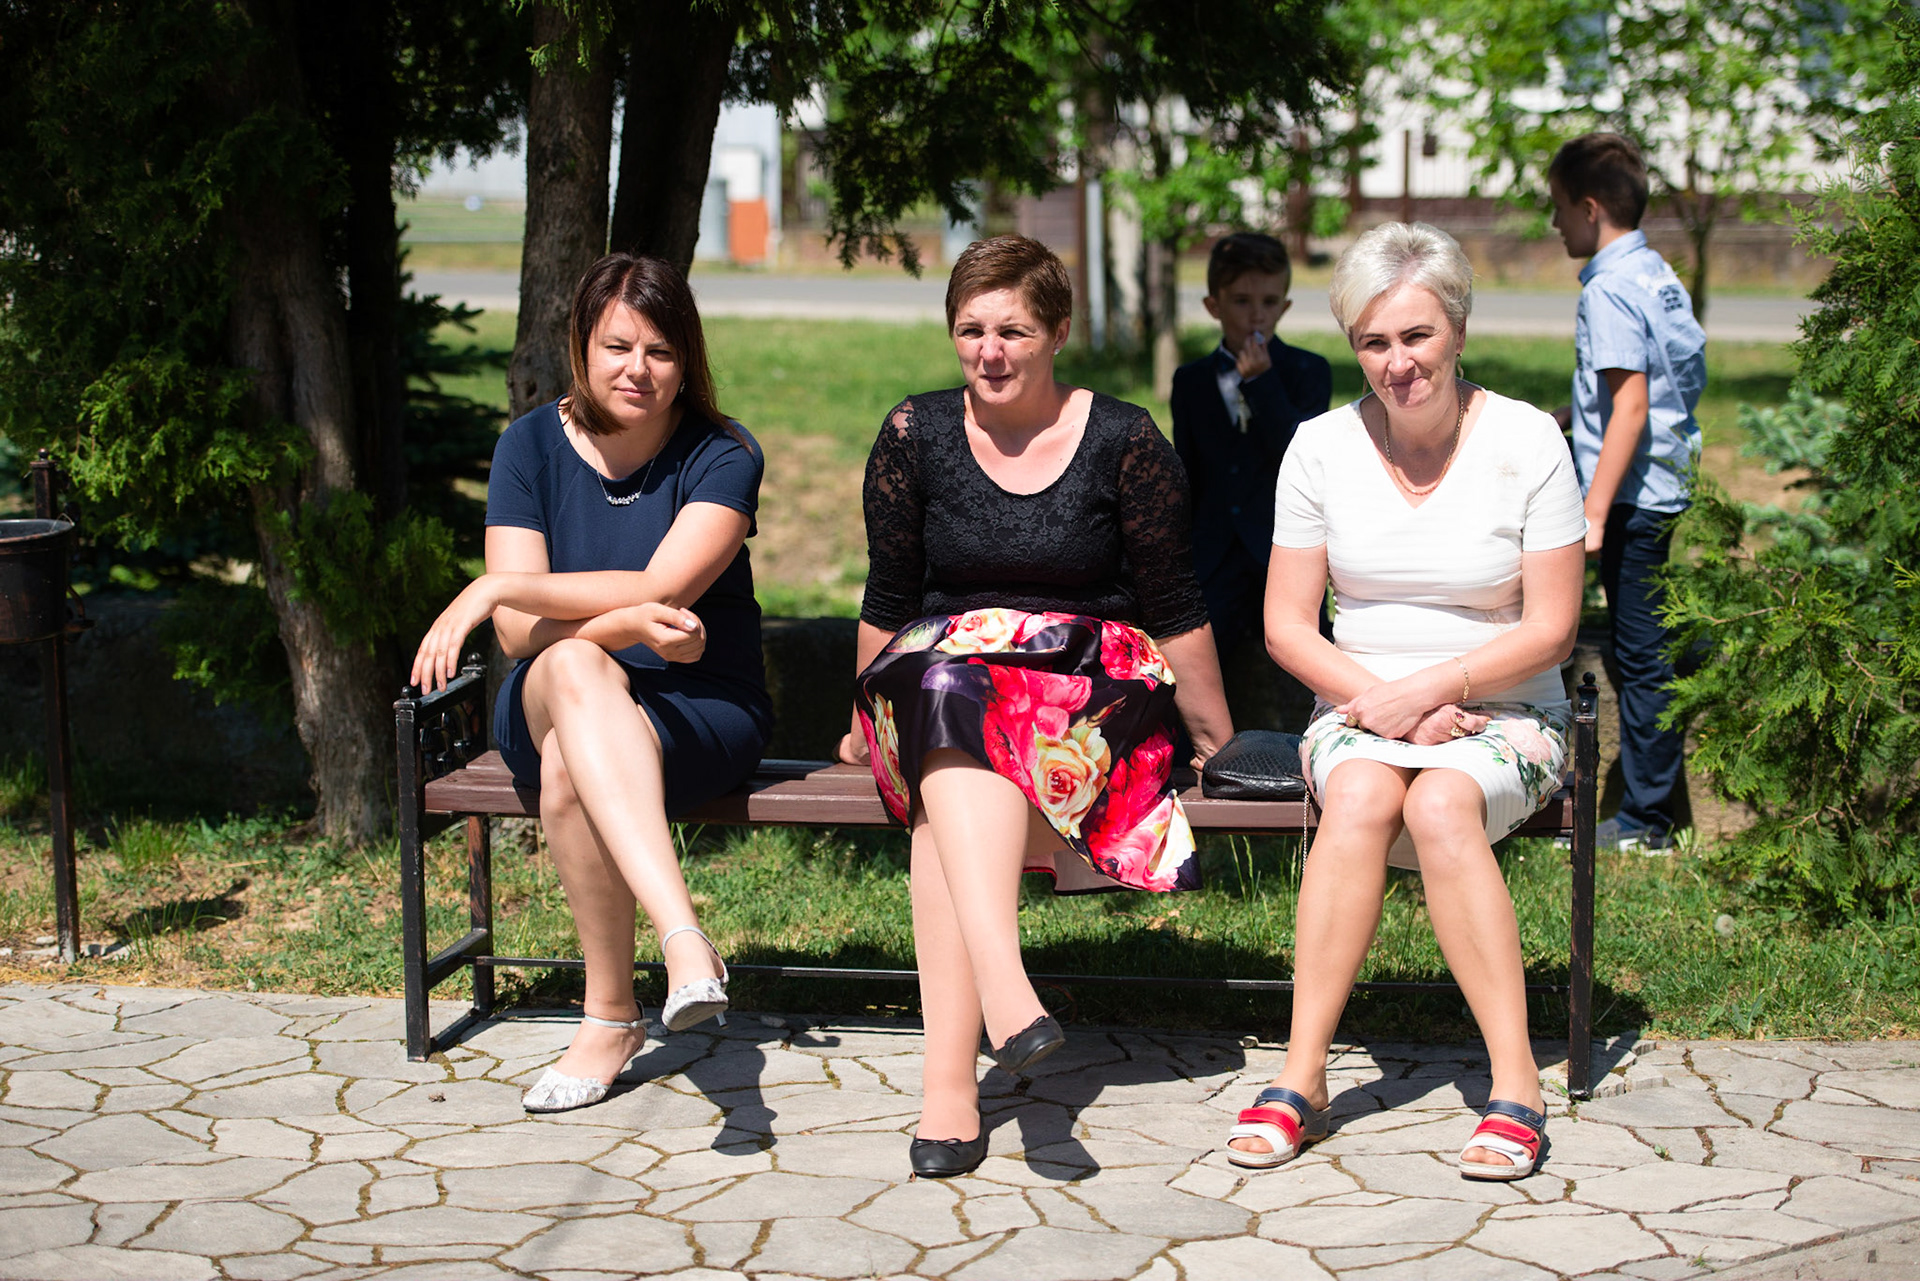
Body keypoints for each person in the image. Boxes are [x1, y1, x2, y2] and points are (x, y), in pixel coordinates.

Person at [837, 235, 1236, 1179]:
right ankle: (1007, 1004)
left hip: (1085, 690)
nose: (989, 351)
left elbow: (1174, 602)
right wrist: (862, 718)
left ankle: (951, 1088)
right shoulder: (915, 433)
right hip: (943, 681)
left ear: (1058, 332)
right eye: (970, 329)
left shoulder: (1124, 440)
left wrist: (1214, 736)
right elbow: (890, 595)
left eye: (1013, 330)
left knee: (940, 786)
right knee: (943, 688)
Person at [1227, 222, 1586, 1181]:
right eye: (1375, 342)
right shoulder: (1318, 448)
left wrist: (1437, 689)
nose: (1399, 363)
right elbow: (1287, 627)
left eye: (1418, 336)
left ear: (1458, 329)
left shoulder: (1529, 442)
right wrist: (1390, 702)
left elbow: (1553, 628)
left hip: (1508, 712)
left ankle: (1516, 1083)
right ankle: (1302, 1074)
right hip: (1358, 707)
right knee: (1358, 794)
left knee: (1440, 802)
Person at [411, 253, 771, 1114]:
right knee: (573, 670)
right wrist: (607, 622)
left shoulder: (724, 453)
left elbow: (662, 588)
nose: (638, 369)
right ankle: (683, 941)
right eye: (617, 347)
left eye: (660, 351)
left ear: (687, 359)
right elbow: (518, 637)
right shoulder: (528, 445)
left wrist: (501, 584)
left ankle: (609, 1014)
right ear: (580, 344)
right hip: (547, 699)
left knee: (574, 748)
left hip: (696, 705)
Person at [1549, 132, 1706, 853]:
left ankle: (1648, 821)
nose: (1555, 224)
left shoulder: (1608, 290)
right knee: (1643, 646)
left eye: (1559, 208)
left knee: (1641, 657)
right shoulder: (1655, 272)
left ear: (1589, 209)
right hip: (1665, 482)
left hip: (1632, 497)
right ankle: (1649, 812)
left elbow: (1631, 407)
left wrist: (1593, 514)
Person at [1171, 232, 1332, 662]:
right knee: (1198, 656)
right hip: (1215, 550)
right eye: (1242, 301)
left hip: (1283, 546)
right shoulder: (1191, 381)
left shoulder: (1309, 371)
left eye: (1269, 302)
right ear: (1214, 306)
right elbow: (1189, 471)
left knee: (1306, 654)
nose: (1257, 314)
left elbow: (1299, 452)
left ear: (1285, 306)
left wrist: (1262, 383)